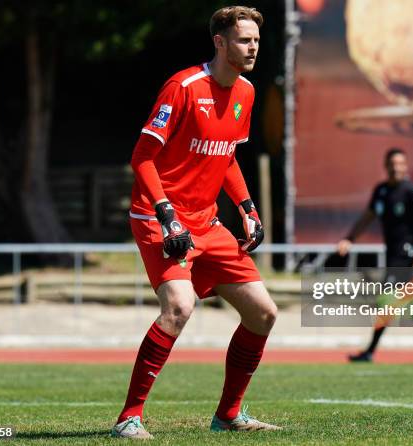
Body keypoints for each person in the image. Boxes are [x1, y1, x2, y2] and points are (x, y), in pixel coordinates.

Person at [111, 6, 281, 439]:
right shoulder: (182, 87)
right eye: (244, 39)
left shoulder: (245, 91)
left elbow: (225, 155)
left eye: (256, 40)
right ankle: (129, 418)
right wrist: (167, 216)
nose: (253, 47)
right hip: (158, 216)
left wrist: (247, 208)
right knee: (179, 308)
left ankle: (228, 416)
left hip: (207, 223)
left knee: (263, 313)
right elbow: (141, 157)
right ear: (220, 42)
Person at [337, 147, 413, 363]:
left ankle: (370, 351)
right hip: (392, 256)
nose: (396, 167)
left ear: (405, 166)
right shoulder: (381, 191)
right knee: (411, 305)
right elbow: (367, 217)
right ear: (386, 166)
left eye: (400, 164)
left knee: (387, 302)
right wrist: (349, 238)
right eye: (393, 163)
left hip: (407, 256)